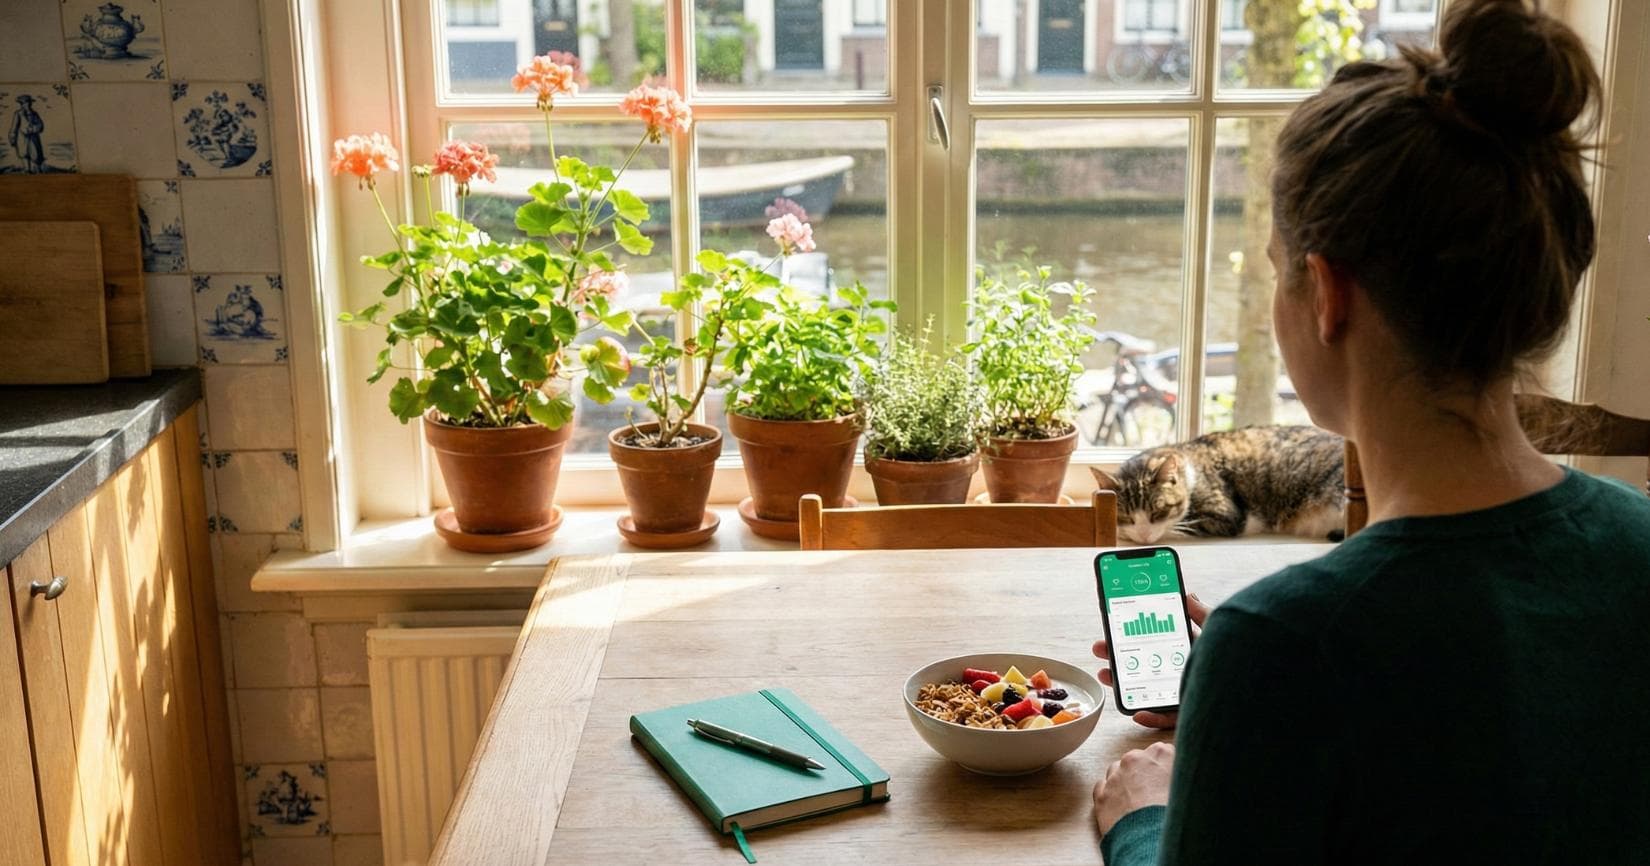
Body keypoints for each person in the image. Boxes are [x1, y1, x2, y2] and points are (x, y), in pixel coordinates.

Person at [1091, 0, 1650, 862]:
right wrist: (1229, 714)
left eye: (1279, 274)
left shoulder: (1282, 648)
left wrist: (1144, 820)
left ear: (1328, 293)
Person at [9, 94, 45, 174]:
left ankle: (38, 171)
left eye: (28, 102)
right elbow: (13, 128)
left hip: (33, 139)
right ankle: (27, 171)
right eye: (25, 103)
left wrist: (34, 128)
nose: (27, 104)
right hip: (22, 139)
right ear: (21, 104)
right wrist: (12, 138)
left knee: (36, 156)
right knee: (24, 154)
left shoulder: (34, 114)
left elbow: (41, 125)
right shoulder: (18, 114)